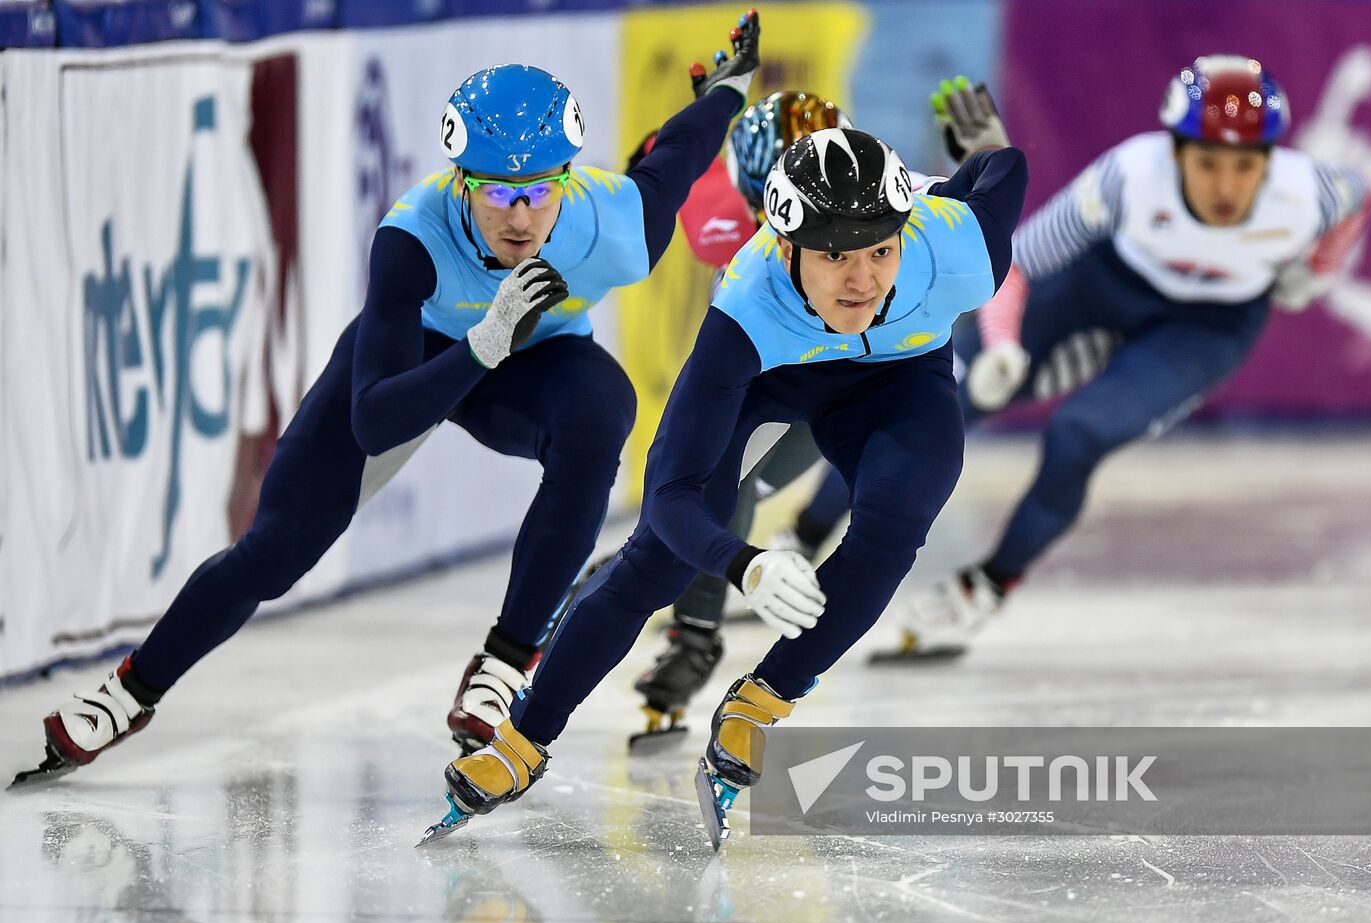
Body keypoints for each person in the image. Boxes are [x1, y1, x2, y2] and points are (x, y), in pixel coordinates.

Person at [11, 11, 765, 787]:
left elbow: (676, 155)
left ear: (567, 181)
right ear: (459, 181)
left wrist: (728, 91)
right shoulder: (413, 234)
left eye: (539, 191)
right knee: (272, 551)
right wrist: (481, 340)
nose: (520, 215)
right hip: (419, 363)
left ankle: (506, 658)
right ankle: (130, 689)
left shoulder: (616, 226)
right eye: (497, 193)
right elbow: (376, 417)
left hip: (538, 364)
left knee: (601, 410)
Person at [419, 79, 1027, 848]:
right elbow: (671, 493)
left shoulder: (959, 251)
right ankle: (526, 735)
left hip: (898, 380)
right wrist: (743, 565)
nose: (863, 278)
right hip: (775, 370)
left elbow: (1007, 173)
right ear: (783, 244)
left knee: (899, 518)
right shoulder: (748, 299)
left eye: (880, 249)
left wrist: (982, 146)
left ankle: (761, 701)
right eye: (835, 255)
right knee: (656, 561)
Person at [871, 56, 1371, 660]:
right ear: (1175, 152)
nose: (1225, 187)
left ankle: (986, 587)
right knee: (944, 393)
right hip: (1107, 287)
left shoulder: (1308, 192)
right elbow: (1019, 261)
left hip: (1206, 327)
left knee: (1077, 434)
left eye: (1245, 167)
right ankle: (802, 536)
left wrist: (1317, 273)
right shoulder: (1132, 173)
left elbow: (1357, 199)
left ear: (1270, 163)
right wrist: (1001, 345)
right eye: (1207, 163)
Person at [624, 90, 855, 752]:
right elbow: (642, 170)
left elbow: (970, 230)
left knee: (742, 488)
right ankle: (690, 633)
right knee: (711, 491)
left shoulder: (878, 200)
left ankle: (698, 631)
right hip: (762, 373)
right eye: (766, 209)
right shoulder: (711, 209)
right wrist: (692, 122)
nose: (782, 228)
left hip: (842, 380)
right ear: (743, 189)